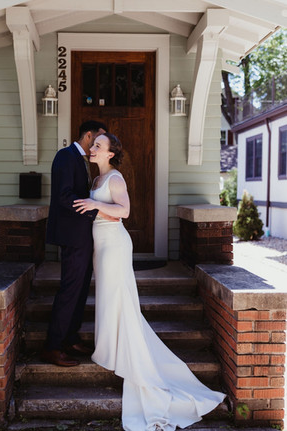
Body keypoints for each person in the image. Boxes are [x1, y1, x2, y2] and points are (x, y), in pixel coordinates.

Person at [73, 133, 226, 431]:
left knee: (118, 297)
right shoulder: (95, 180)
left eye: (98, 147)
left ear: (111, 154)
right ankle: (109, 349)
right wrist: (92, 202)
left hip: (115, 245)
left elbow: (125, 212)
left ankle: (128, 356)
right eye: (93, 146)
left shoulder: (115, 179)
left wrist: (94, 204)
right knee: (107, 298)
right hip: (100, 244)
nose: (91, 149)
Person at [43, 120, 107, 367]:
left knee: (80, 290)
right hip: (72, 235)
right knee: (70, 290)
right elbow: (64, 196)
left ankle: (70, 338)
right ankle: (53, 346)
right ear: (88, 135)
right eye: (99, 140)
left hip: (84, 237)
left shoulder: (83, 160)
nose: (99, 145)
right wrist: (94, 211)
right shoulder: (65, 156)